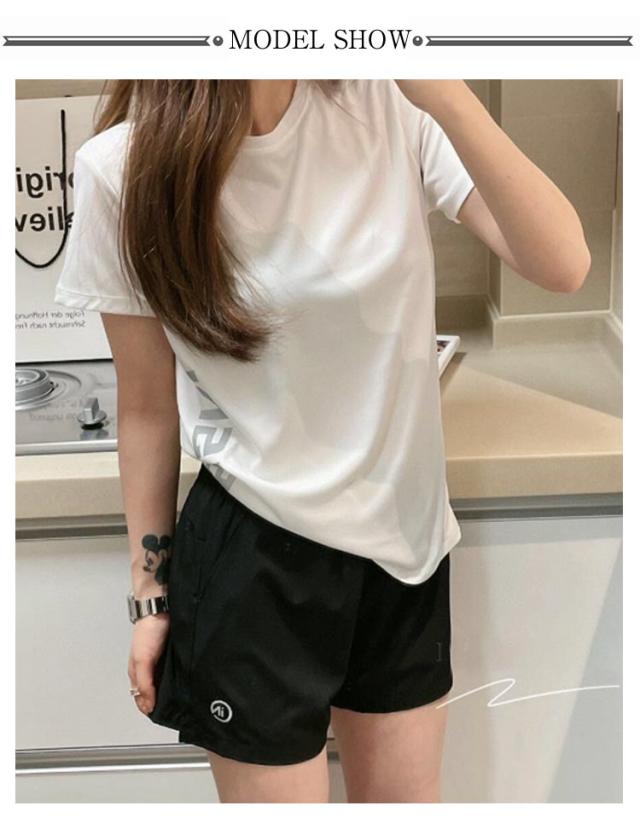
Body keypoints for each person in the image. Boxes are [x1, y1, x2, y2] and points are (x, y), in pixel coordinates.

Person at [54, 78, 590, 803]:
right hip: (254, 559)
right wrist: (150, 595)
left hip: (405, 551)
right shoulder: (123, 169)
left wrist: (448, 93)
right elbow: (147, 408)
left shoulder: (392, 105)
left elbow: (563, 264)